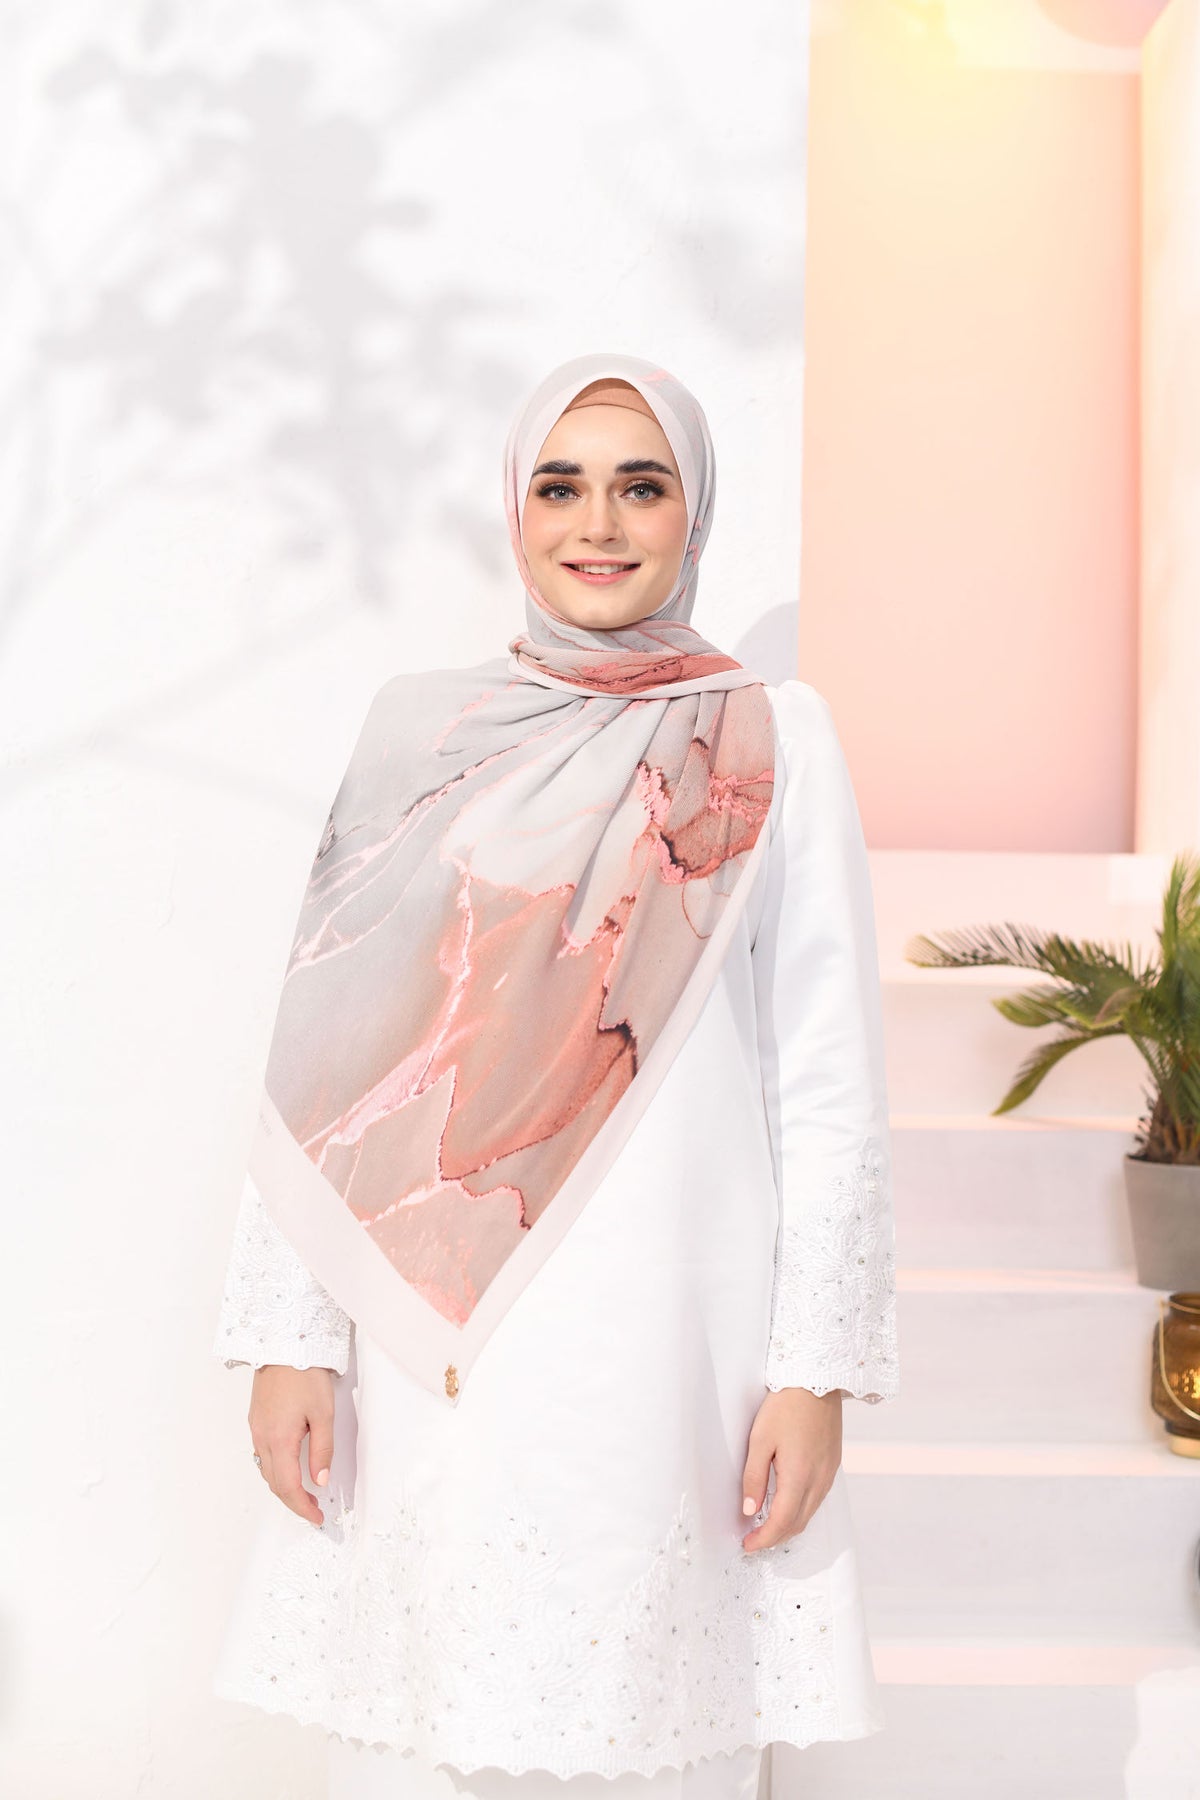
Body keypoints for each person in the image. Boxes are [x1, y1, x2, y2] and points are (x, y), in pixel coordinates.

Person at [210, 352, 900, 1800]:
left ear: (694, 514)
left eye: (641, 486)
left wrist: (814, 1370)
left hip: (675, 1326)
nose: (599, 523)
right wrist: (294, 1340)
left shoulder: (772, 738)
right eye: (561, 486)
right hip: (442, 1325)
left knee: (661, 1737)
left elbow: (825, 1079)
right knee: (425, 1727)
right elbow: (335, 1055)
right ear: (514, 515)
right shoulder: (423, 734)